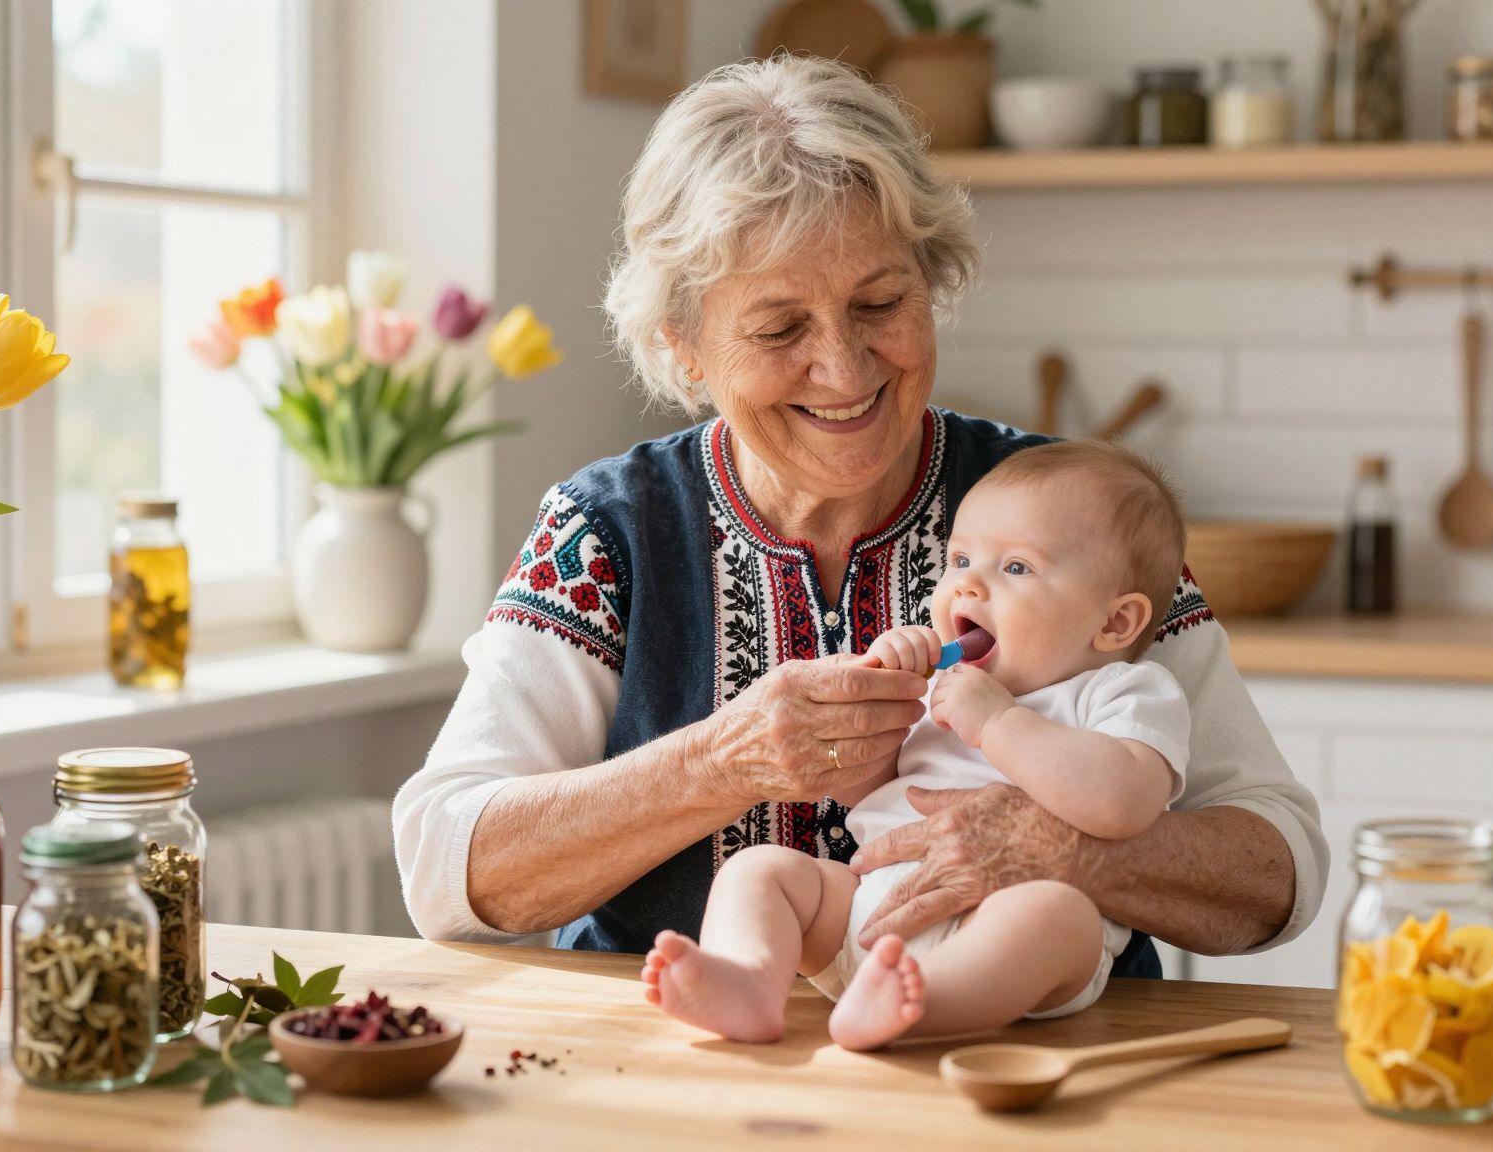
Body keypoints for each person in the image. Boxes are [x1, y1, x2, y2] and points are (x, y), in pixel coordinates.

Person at [393, 55, 1327, 986]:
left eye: (880, 303)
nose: (844, 370)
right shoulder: (608, 531)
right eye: (778, 329)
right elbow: (445, 871)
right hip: (693, 1088)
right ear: (683, 347)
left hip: (1029, 1091)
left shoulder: (1064, 518)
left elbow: (1280, 866)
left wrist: (1076, 853)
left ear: (933, 284)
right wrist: (723, 759)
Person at [641, 440, 1191, 1049]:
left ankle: (921, 1002)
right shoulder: (947, 686)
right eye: (959, 560)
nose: (968, 587)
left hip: (1006, 938)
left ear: (1114, 622)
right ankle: (747, 981)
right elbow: (868, 794)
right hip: (866, 914)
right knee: (762, 870)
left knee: (1058, 919)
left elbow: (1122, 803)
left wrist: (998, 725)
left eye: (1016, 568)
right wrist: (881, 710)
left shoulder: (1125, 691)